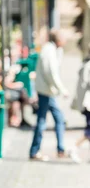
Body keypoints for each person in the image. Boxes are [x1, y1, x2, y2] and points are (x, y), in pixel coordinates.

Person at [29, 30, 70, 161]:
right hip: (47, 91)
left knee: (55, 118)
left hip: (48, 90)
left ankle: (58, 149)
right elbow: (50, 72)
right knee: (45, 120)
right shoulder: (49, 50)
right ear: (58, 40)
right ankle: (39, 150)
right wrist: (61, 89)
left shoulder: (53, 50)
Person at [70, 48, 90, 163]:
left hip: (86, 102)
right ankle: (74, 148)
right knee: (89, 131)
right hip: (88, 103)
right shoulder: (88, 65)